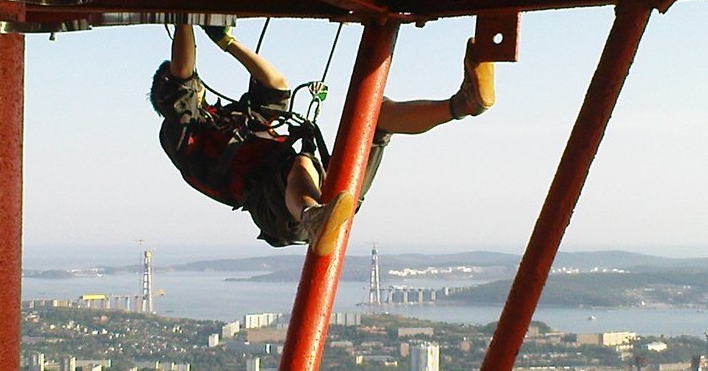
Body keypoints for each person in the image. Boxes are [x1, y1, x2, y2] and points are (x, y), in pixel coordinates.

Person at [149, 22, 495, 252]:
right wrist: (185, 18)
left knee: (374, 115)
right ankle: (314, 216)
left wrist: (229, 43)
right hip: (285, 213)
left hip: (323, 196)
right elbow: (182, 73)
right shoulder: (180, 135)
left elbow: (276, 85)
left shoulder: (231, 120)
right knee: (297, 161)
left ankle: (462, 103)